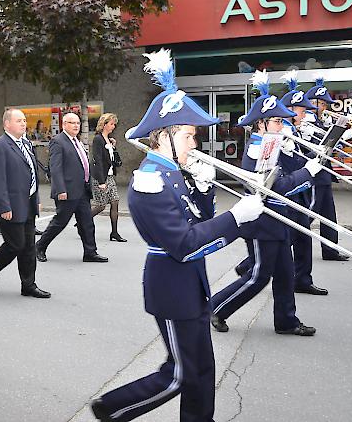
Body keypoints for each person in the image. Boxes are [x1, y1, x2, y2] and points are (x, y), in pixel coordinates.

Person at [90, 49, 263, 422]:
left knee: (201, 370)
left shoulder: (171, 173)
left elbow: (200, 220)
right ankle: (112, 409)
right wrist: (236, 217)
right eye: (188, 135)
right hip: (172, 284)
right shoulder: (151, 180)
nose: (194, 143)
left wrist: (203, 188)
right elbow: (184, 244)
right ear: (165, 135)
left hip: (190, 283)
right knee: (181, 374)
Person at [210, 70, 323, 337]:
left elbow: (288, 178)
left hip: (278, 218)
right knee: (259, 276)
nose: (282, 126)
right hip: (262, 221)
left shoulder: (274, 144)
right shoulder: (257, 150)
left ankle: (286, 321)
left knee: (284, 273)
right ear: (260, 124)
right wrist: (308, 171)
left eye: (282, 121)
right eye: (275, 122)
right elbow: (277, 187)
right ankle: (216, 307)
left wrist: (307, 162)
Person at [0, 109, 51, 298]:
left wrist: (35, 200)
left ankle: (28, 285)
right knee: (16, 244)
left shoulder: (26, 144)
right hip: (10, 206)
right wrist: (4, 206)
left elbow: (32, 175)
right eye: (19, 120)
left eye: (24, 120)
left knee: (29, 247)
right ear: (7, 124)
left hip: (27, 204)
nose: (23, 123)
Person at [279, 71, 328, 296]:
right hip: (288, 192)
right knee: (285, 239)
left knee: (302, 236)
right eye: (301, 109)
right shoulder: (280, 132)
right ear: (290, 109)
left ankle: (303, 279)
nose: (305, 112)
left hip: (300, 190)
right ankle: (250, 266)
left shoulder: (295, 129)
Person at [35, 112, 108, 263]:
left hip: (82, 190)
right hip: (67, 191)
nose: (76, 126)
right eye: (72, 123)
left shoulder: (77, 141)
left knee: (87, 223)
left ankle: (90, 252)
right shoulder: (58, 141)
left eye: (77, 123)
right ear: (64, 125)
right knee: (59, 223)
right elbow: (55, 168)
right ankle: (39, 247)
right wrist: (60, 189)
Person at [304, 77, 349, 261]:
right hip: (312, 174)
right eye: (320, 103)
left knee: (329, 215)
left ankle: (330, 250)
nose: (323, 106)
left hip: (324, 172)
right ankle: (272, 251)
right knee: (306, 217)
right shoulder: (306, 122)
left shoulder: (320, 120)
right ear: (311, 103)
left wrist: (339, 134)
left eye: (324, 103)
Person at [90, 113, 126, 242]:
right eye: (111, 124)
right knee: (101, 205)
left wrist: (113, 147)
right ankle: (83, 220)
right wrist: (101, 181)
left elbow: (111, 159)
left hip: (110, 176)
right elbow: (98, 160)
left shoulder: (109, 140)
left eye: (114, 124)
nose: (113, 126)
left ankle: (114, 233)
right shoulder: (98, 139)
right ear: (104, 124)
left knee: (115, 202)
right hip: (100, 176)